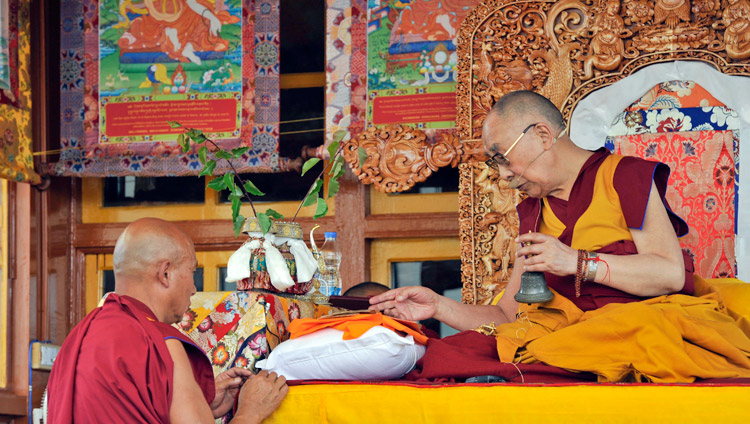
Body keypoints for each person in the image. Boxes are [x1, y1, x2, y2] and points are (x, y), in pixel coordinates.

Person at [370, 90, 750, 382]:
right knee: (444, 355)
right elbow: (507, 314)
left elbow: (668, 273)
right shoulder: (533, 213)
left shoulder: (625, 177)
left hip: (636, 326)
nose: (502, 174)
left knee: (637, 331)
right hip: (560, 339)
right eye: (494, 163)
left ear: (542, 134)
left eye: (502, 157)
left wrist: (578, 263)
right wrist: (437, 306)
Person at [47, 218, 288, 423]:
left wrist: (202, 404)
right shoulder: (160, 342)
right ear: (165, 273)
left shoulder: (76, 340)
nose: (194, 289)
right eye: (192, 272)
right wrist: (250, 412)